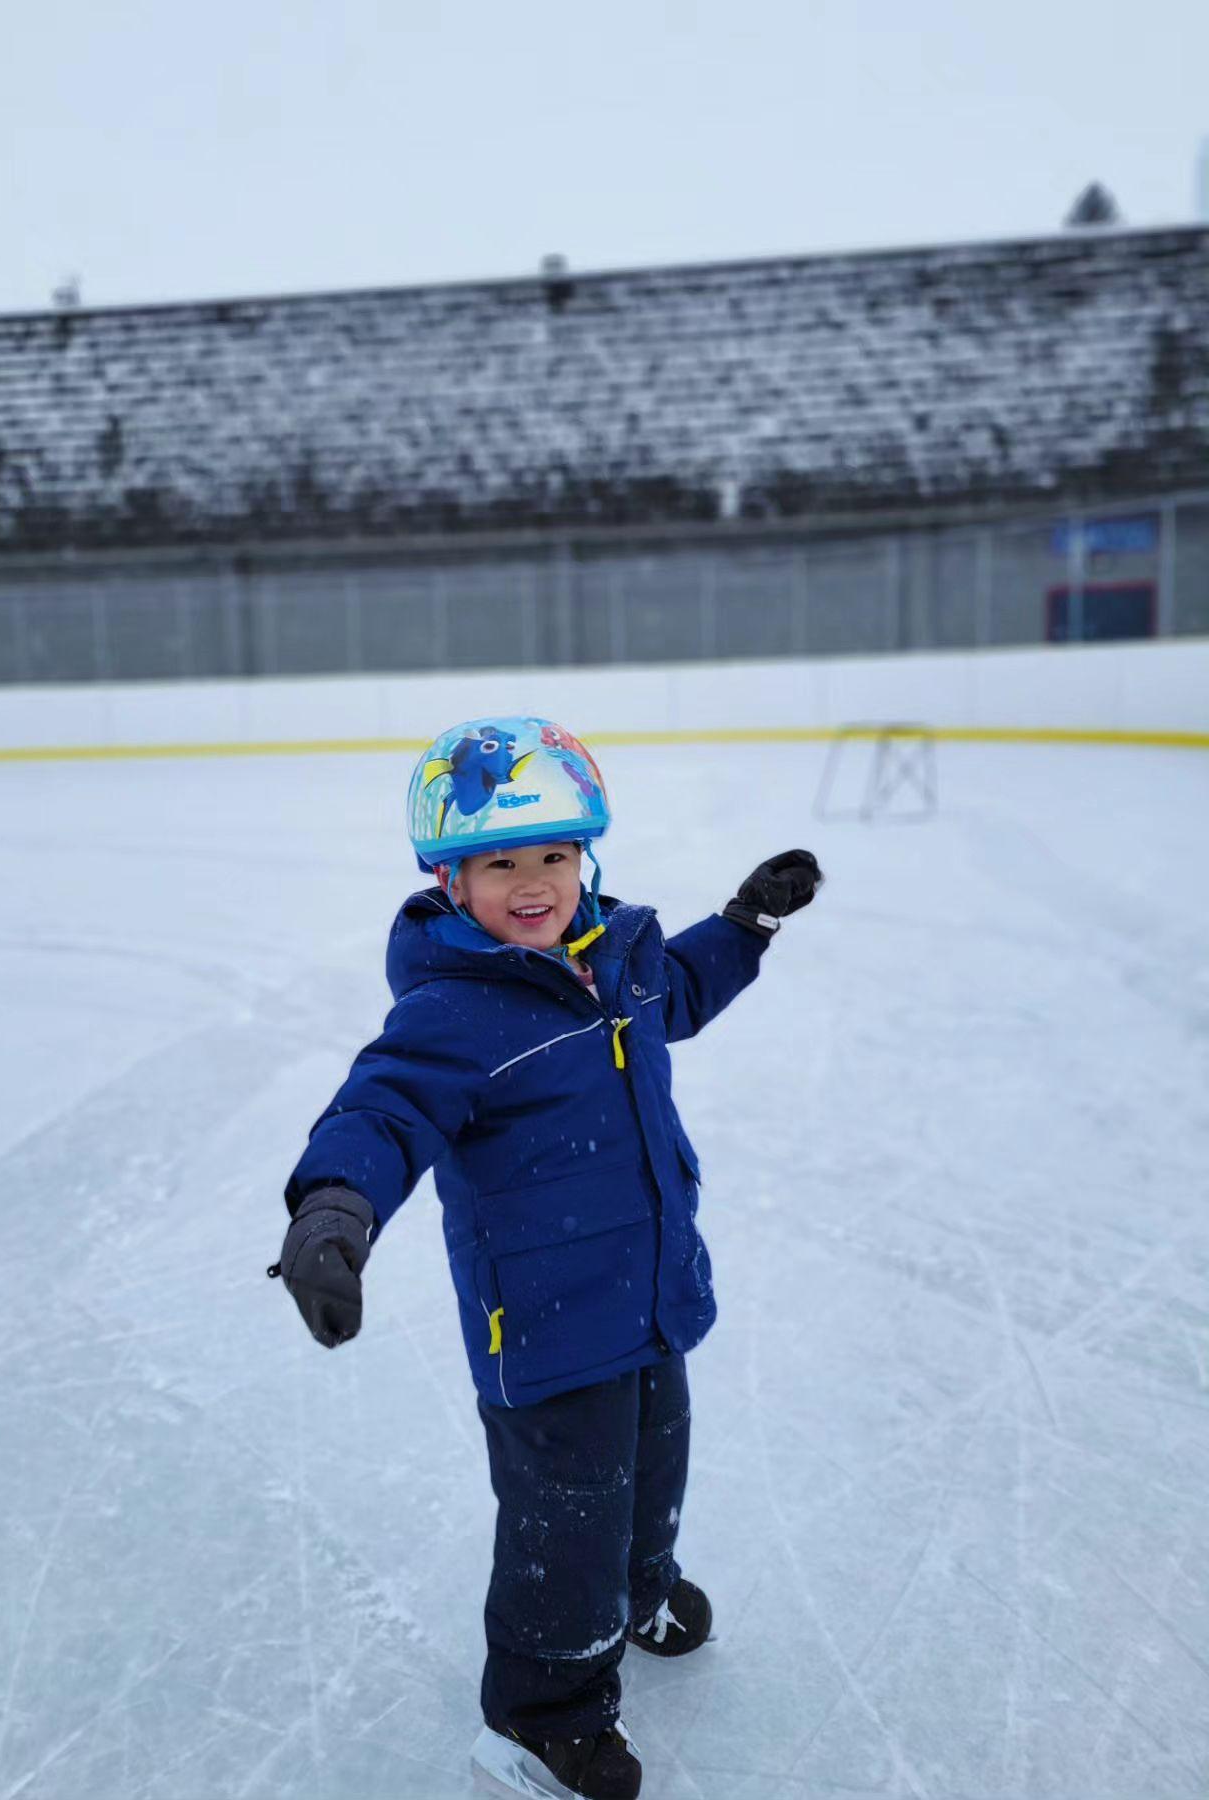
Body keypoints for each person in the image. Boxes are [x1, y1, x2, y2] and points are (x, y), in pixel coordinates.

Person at [270, 715, 822, 1800]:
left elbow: (685, 992)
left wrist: (747, 922)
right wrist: (332, 1211)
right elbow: (380, 1114)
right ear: (450, 877)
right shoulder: (452, 1013)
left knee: (652, 1471)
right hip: (546, 1322)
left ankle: (640, 1588)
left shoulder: (616, 959)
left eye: (555, 858)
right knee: (563, 1521)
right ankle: (543, 1717)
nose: (534, 884)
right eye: (501, 863)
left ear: (587, 860)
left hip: (651, 1292)